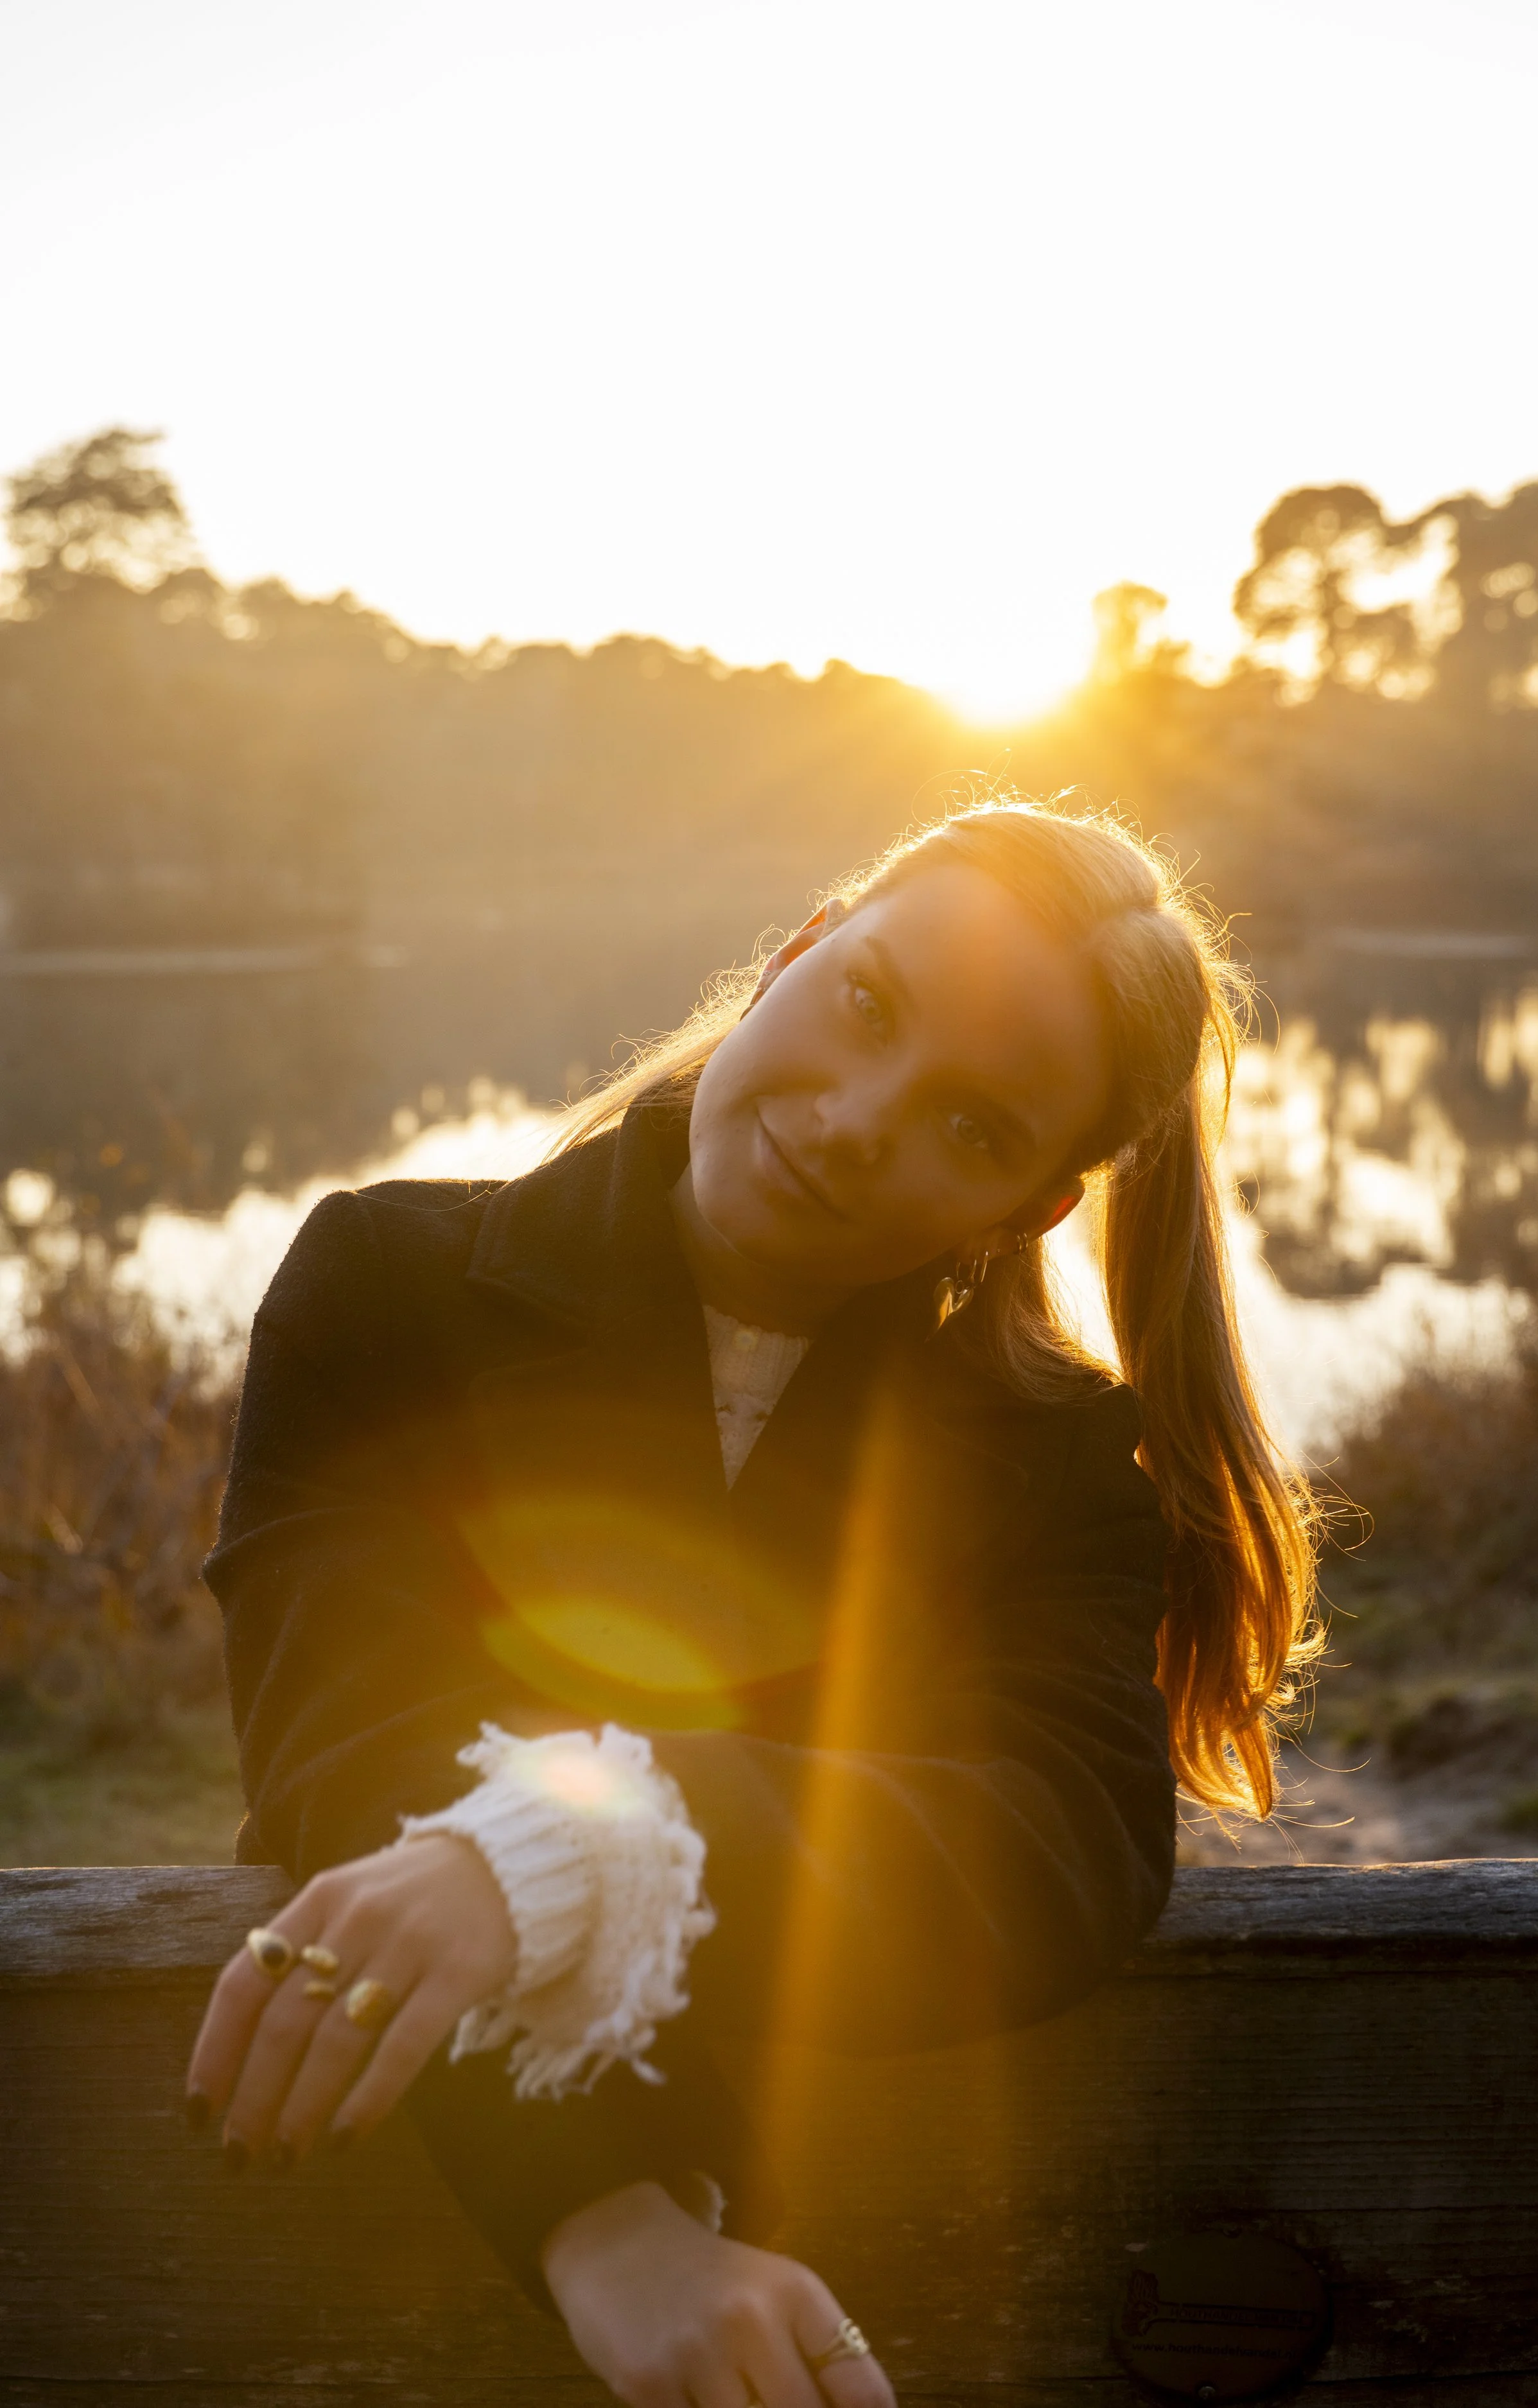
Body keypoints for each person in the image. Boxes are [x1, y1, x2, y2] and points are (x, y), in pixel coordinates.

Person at [188, 798, 1317, 2408]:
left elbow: (1044, 1839)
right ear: (798, 950)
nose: (860, 1119)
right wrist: (604, 2214)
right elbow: (359, 1750)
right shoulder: (386, 1288)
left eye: (975, 1129)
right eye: (866, 1005)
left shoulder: (1052, 1466)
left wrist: (575, 1845)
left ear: (1026, 1213)